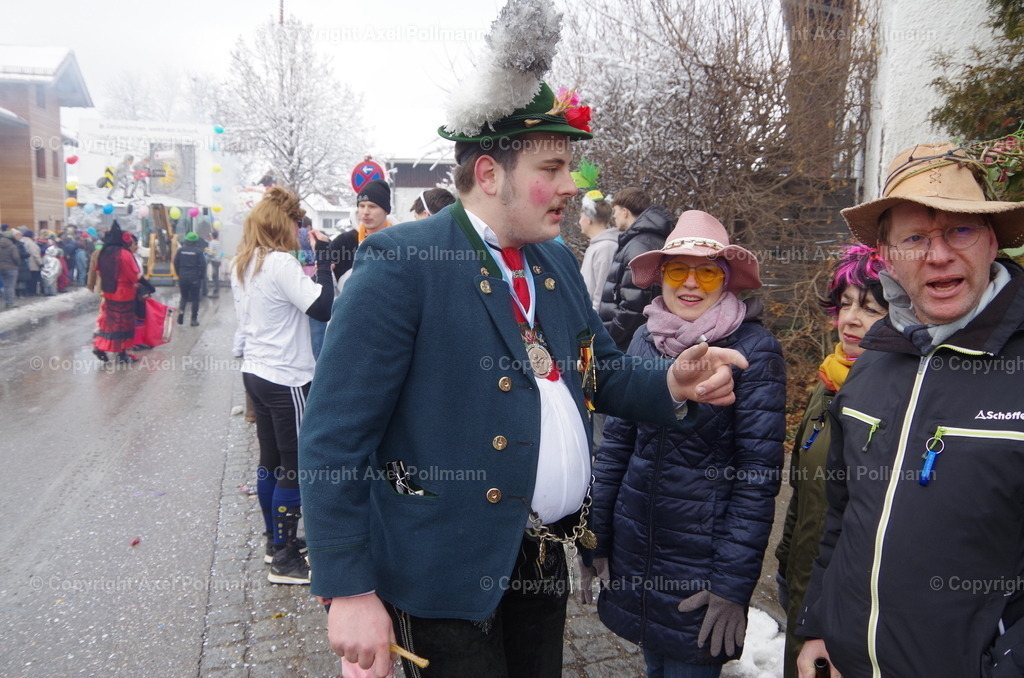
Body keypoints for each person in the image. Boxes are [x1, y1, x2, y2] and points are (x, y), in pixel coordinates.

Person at [298, 71, 748, 676]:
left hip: (536, 555)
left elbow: (601, 374)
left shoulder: (555, 259)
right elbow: (333, 438)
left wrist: (673, 382)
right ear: (489, 174)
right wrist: (349, 589)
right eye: (552, 168)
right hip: (442, 572)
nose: (571, 186)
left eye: (570, 168)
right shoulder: (403, 264)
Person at [796, 142, 1024, 678]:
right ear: (889, 256)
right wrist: (817, 625)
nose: (938, 255)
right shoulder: (873, 362)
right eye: (915, 238)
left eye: (960, 231)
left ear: (993, 241)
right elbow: (841, 518)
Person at [587, 210, 786, 678]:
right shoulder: (643, 340)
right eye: (678, 269)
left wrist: (732, 586)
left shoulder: (754, 351)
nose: (690, 283)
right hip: (638, 549)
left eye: (707, 271)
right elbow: (615, 445)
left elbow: (758, 479)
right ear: (661, 277)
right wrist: (597, 538)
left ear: (727, 280)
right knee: (654, 664)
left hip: (702, 566)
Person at [773, 245, 888, 678]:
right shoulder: (827, 384)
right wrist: (785, 565)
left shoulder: (898, 400)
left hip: (853, 613)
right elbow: (803, 492)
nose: (851, 320)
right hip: (806, 588)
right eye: (845, 306)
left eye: (871, 309)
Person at [231, 186, 334, 585]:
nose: (298, 229)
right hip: (286, 376)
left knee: (270, 461)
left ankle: (275, 541)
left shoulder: (243, 262)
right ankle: (286, 559)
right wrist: (324, 261)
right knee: (295, 466)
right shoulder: (280, 264)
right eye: (296, 222)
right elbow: (322, 308)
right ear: (282, 223)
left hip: (256, 373)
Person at [598, 188, 674, 351]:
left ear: (625, 212)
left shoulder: (639, 245)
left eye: (616, 211)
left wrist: (611, 338)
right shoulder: (642, 240)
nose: (615, 216)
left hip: (627, 345)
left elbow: (635, 306)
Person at [92, 222, 142, 364]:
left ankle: (100, 345)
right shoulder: (124, 254)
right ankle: (122, 353)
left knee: (109, 321)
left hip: (109, 291)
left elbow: (98, 270)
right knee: (123, 323)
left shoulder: (104, 252)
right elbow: (132, 275)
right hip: (124, 292)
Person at [578, 189, 617, 310]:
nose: (579, 221)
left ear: (589, 219)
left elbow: (601, 293)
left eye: (581, 217)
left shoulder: (606, 248)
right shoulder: (596, 246)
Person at [174, 232, 206, 327]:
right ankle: (193, 320)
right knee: (195, 299)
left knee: (184, 297)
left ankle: (181, 314)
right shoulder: (198, 251)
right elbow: (203, 266)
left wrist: (179, 274)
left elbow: (175, 263)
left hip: (183, 277)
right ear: (196, 241)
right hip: (194, 278)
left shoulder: (180, 250)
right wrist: (200, 277)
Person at [0, 230, 20, 308]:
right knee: (10, 286)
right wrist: (18, 264)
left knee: (4, 286)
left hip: (1, 267)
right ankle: (10, 302)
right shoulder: (12, 246)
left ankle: (5, 301)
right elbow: (16, 257)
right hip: (11, 268)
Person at [206, 230, 223, 298]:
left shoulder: (212, 242)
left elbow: (210, 253)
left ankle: (216, 291)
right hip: (218, 260)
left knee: (214, 275)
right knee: (216, 275)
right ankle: (216, 289)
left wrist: (206, 252)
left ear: (212, 236)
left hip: (214, 260)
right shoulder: (218, 242)